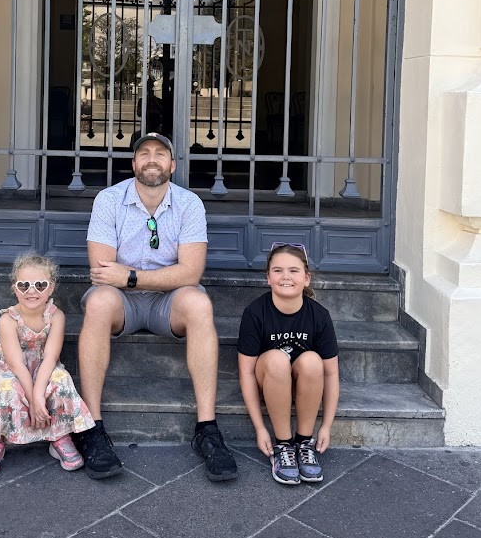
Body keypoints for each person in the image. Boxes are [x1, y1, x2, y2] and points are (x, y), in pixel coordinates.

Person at [75, 132, 238, 482]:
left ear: (172, 165)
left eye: (160, 154)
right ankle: (90, 428)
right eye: (144, 153)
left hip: (168, 303)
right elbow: (104, 272)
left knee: (198, 302)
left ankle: (207, 430)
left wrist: (131, 277)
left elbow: (192, 272)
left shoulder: (189, 203)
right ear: (134, 163)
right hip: (122, 303)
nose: (152, 159)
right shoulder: (108, 199)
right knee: (100, 302)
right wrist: (134, 279)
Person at [0, 252, 94, 477]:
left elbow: (50, 358)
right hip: (14, 371)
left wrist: (39, 396)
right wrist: (33, 401)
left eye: (40, 285)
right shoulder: (8, 319)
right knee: (6, 389)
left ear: (51, 288)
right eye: (24, 285)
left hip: (44, 368)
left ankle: (59, 436)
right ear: (15, 289)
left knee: (61, 379)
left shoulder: (55, 316)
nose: (32, 291)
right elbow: (17, 364)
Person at [237, 243, 339, 485]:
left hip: (305, 383)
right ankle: (283, 445)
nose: (286, 277)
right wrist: (260, 428)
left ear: (306, 279)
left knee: (314, 361)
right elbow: (246, 373)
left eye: (293, 271)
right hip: (270, 380)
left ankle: (304, 442)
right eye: (278, 270)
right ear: (268, 278)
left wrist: (326, 426)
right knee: (276, 358)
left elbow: (331, 374)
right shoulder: (255, 313)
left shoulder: (319, 316)